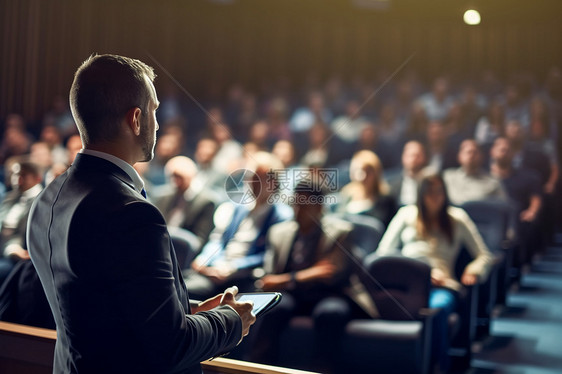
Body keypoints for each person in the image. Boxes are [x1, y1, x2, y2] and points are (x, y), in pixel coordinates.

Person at [27, 54, 255, 374]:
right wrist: (231, 320)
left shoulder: (47, 197)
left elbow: (101, 306)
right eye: (154, 110)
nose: (158, 123)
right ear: (136, 119)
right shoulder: (132, 214)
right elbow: (170, 347)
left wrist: (190, 312)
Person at [248, 181, 377, 369]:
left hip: (329, 293)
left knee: (331, 312)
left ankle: (322, 369)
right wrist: (309, 274)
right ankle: (255, 366)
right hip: (292, 293)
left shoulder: (340, 232)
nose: (298, 210)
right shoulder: (279, 232)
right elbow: (269, 278)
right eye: (295, 204)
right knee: (274, 307)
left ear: (319, 207)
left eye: (305, 205)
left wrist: (287, 278)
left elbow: (333, 274)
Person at [376, 173, 493, 372]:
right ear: (421, 194)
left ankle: (437, 367)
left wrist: (473, 270)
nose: (435, 196)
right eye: (430, 191)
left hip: (441, 285)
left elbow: (485, 256)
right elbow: (382, 254)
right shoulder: (406, 214)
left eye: (439, 191)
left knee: (436, 309)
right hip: (407, 284)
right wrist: (415, 274)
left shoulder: (457, 217)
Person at [184, 151, 292, 300]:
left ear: (273, 183)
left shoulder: (281, 215)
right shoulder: (238, 208)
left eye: (258, 179)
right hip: (217, 269)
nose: (252, 183)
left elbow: (269, 255)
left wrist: (233, 268)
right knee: (180, 287)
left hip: (246, 276)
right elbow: (219, 240)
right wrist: (204, 260)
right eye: (251, 178)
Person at [152, 156, 217, 248]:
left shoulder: (206, 202)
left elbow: (200, 239)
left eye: (180, 177)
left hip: (182, 249)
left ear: (191, 177)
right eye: (173, 177)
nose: (176, 182)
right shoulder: (163, 197)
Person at [0, 159, 43, 283]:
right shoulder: (10, 197)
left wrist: (12, 248)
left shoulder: (41, 201)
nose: (16, 179)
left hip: (18, 256)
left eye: (22, 175)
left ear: (37, 178)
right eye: (14, 174)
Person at [336, 150, 397, 227]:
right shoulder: (346, 194)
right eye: (358, 171)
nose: (363, 176)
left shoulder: (386, 200)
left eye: (368, 171)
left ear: (376, 173)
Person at [443, 139, 506, 205]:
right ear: (459, 156)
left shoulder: (493, 181)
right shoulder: (447, 178)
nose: (472, 155)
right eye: (468, 152)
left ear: (481, 157)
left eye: (475, 152)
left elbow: (503, 206)